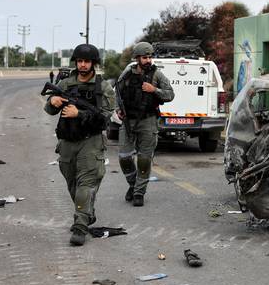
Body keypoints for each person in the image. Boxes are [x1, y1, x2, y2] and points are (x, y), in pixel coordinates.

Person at [44, 44, 115, 246]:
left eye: (87, 61)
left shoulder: (103, 87)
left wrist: (80, 114)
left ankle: (80, 226)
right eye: (80, 61)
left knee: (86, 183)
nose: (83, 65)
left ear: (94, 63)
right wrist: (53, 102)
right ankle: (86, 211)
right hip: (67, 141)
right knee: (72, 183)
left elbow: (105, 119)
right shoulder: (65, 83)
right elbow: (49, 110)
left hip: (90, 141)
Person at [115, 42, 174, 207]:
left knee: (144, 159)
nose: (148, 60)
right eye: (144, 57)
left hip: (148, 121)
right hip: (128, 121)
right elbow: (117, 92)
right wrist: (118, 109)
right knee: (124, 157)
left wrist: (154, 90)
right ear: (137, 58)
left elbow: (170, 95)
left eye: (149, 57)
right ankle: (133, 185)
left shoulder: (157, 75)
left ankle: (139, 192)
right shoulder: (128, 72)